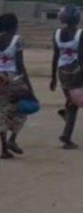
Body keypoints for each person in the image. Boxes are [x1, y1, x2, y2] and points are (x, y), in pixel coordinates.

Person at [50, 5, 83, 150]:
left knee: (71, 100)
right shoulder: (80, 33)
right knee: (74, 105)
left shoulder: (56, 33)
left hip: (62, 72)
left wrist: (53, 77)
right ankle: (66, 136)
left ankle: (66, 116)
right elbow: (82, 57)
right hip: (76, 72)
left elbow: (55, 56)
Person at [0, 14, 35, 159]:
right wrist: (28, 87)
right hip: (13, 79)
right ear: (14, 25)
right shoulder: (17, 40)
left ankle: (3, 149)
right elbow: (20, 65)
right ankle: (12, 139)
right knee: (22, 109)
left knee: (2, 112)